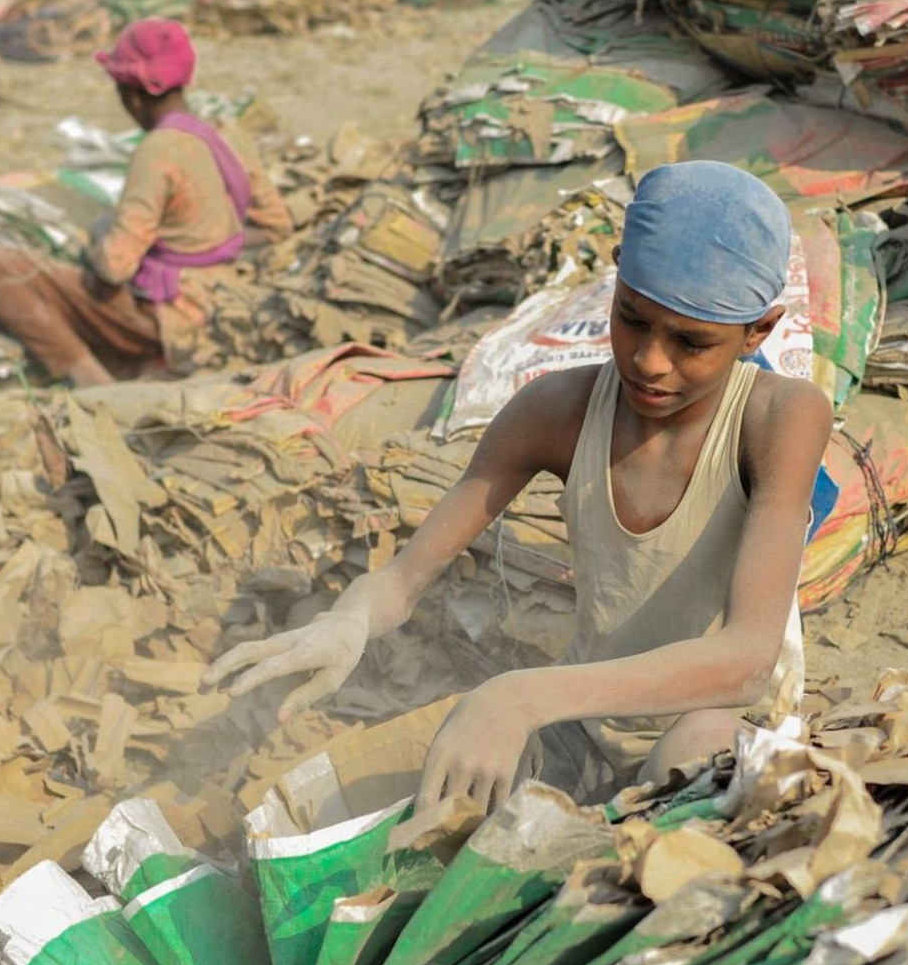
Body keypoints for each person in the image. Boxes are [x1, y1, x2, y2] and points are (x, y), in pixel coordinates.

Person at [206, 161, 834, 808]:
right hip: (578, 725)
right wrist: (348, 621)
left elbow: (748, 658)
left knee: (690, 760)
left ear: (758, 330)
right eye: (633, 319)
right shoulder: (555, 411)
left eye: (690, 342)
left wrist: (520, 694)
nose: (650, 360)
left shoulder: (778, 417)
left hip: (720, 724)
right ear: (615, 278)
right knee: (407, 795)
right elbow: (402, 580)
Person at [0, 19, 293, 387]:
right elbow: (277, 225)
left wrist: (101, 240)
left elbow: (114, 268)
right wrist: (211, 245)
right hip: (226, 300)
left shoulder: (158, 152)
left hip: (171, 317)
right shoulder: (227, 135)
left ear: (131, 94)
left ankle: (89, 379)